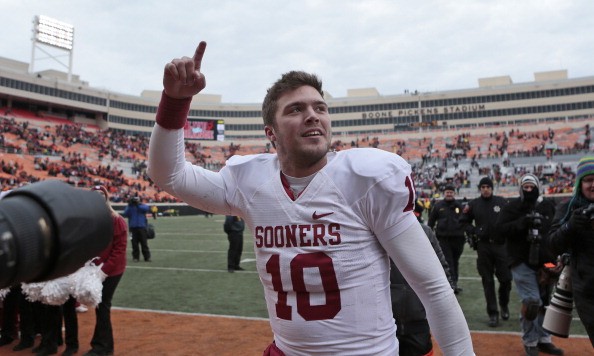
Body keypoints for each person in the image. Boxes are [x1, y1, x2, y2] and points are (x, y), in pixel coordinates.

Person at [147, 41, 474, 355]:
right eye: (296, 109)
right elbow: (169, 175)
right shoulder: (251, 182)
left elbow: (433, 290)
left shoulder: (364, 180)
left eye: (320, 107)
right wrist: (175, 101)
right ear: (270, 133)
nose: (313, 115)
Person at [496, 174, 563, 356]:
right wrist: (521, 223)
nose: (528, 190)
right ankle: (530, 340)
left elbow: (557, 229)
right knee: (532, 302)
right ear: (520, 188)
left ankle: (543, 339)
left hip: (545, 260)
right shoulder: (512, 207)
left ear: (538, 187)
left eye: (531, 186)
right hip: (521, 260)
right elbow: (500, 230)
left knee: (545, 302)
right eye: (525, 187)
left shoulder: (547, 205)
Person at [391, 213, 455, 356]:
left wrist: (447, 303)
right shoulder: (375, 235)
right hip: (386, 322)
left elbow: (442, 271)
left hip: (418, 318)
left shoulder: (425, 232)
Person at [547, 156, 594, 347]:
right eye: (589, 180)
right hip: (587, 288)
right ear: (579, 183)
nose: (593, 185)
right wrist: (570, 226)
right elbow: (551, 244)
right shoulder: (568, 208)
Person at [460, 176, 512, 327]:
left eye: (488, 187)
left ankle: (504, 304)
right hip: (483, 247)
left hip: (501, 246)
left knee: (506, 279)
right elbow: (463, 221)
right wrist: (475, 230)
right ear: (480, 189)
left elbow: (511, 219)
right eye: (483, 187)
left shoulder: (502, 202)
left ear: (492, 188)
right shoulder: (474, 204)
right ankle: (493, 313)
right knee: (487, 281)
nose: (485, 189)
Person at [83, 185, 128, 356]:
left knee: (102, 305)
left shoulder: (116, 220)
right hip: (95, 269)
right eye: (95, 195)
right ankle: (101, 344)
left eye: (102, 194)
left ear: (107, 197)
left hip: (112, 270)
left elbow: (119, 249)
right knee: (100, 306)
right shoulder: (90, 220)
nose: (99, 197)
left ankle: (103, 347)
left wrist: (104, 271)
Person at [427, 184, 466, 294]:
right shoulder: (438, 206)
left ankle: (454, 283)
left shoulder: (459, 206)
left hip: (458, 239)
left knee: (455, 261)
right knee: (448, 262)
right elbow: (431, 221)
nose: (449, 194)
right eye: (447, 192)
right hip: (443, 239)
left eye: (451, 192)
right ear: (444, 193)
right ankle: (451, 285)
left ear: (454, 193)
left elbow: (465, 221)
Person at [122, 195, 151, 262]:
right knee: (134, 243)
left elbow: (146, 209)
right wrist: (130, 205)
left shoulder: (142, 206)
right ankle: (135, 257)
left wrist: (138, 205)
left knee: (144, 243)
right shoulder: (130, 207)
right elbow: (125, 213)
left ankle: (147, 257)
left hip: (142, 227)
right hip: (132, 229)